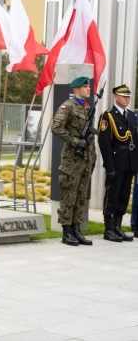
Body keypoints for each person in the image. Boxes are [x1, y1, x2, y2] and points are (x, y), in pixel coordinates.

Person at [51, 76, 96, 246]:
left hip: (85, 159)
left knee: (81, 196)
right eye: (85, 87)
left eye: (88, 86)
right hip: (72, 158)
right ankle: (66, 231)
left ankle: (77, 230)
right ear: (76, 89)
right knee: (69, 195)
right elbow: (56, 127)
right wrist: (76, 141)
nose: (88, 89)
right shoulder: (67, 106)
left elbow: (90, 135)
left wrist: (93, 155)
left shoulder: (88, 108)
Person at [98, 84, 138, 242]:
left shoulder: (130, 115)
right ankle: (108, 229)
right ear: (116, 97)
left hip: (129, 163)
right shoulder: (108, 116)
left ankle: (117, 227)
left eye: (128, 96)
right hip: (116, 162)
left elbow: (135, 141)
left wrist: (135, 164)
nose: (127, 98)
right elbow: (104, 144)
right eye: (124, 96)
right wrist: (110, 167)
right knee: (112, 195)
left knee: (123, 196)